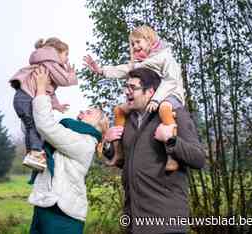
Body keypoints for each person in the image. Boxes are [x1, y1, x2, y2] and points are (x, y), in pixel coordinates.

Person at [103, 68, 206, 234]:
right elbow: (127, 162)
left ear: (150, 92)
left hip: (165, 221)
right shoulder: (128, 121)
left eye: (133, 88)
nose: (126, 91)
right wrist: (108, 143)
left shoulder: (174, 115)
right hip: (133, 221)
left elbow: (198, 158)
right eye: (125, 87)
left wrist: (171, 140)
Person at [84, 25, 184, 171]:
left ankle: (172, 156)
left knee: (164, 109)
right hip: (148, 97)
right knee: (119, 110)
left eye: (138, 42)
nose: (135, 46)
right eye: (132, 44)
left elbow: (171, 80)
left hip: (169, 94)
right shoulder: (139, 63)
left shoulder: (164, 57)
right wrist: (101, 70)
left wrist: (157, 99)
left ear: (149, 40)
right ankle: (119, 152)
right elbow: (122, 69)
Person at [28, 66, 109, 234]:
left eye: (89, 112)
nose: (81, 112)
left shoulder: (86, 143)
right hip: (46, 206)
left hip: (63, 215)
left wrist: (42, 89)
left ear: (98, 126)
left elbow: (46, 126)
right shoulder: (73, 135)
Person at [10, 37, 78, 171]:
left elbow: (48, 91)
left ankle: (33, 155)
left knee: (32, 126)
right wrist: (71, 74)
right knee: (36, 126)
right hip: (26, 98)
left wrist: (56, 105)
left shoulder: (44, 64)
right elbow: (64, 80)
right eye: (66, 54)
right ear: (56, 52)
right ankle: (35, 154)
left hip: (22, 98)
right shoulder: (50, 62)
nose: (67, 59)